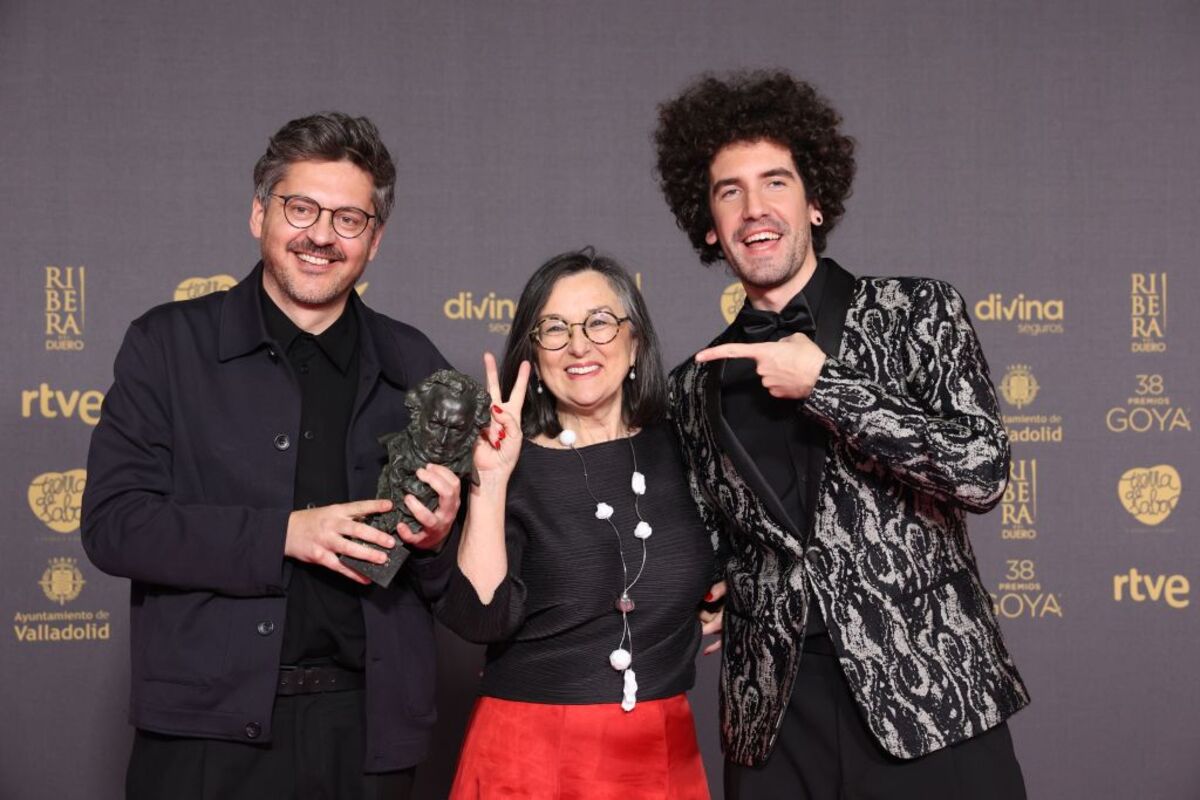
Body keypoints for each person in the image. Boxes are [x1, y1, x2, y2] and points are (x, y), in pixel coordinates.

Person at [654, 71, 1030, 798]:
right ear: (707, 223)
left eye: (775, 183)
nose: (754, 209)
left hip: (932, 704)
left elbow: (981, 469)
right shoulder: (692, 385)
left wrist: (826, 386)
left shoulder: (917, 311)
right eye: (729, 191)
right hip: (775, 723)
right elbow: (706, 542)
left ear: (816, 201)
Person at [81, 112, 463, 799]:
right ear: (259, 214)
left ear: (374, 241)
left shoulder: (417, 366)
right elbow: (114, 525)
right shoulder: (167, 346)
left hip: (369, 736)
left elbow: (464, 591)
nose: (321, 235)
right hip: (202, 736)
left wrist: (438, 542)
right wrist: (284, 533)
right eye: (301, 208)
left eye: (349, 219)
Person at [436, 248, 714, 798]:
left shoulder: (684, 447)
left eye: (600, 323)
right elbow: (480, 620)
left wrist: (738, 593)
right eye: (555, 329)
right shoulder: (506, 459)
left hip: (660, 748)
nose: (580, 345)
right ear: (533, 355)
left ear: (635, 341)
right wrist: (489, 484)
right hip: (528, 755)